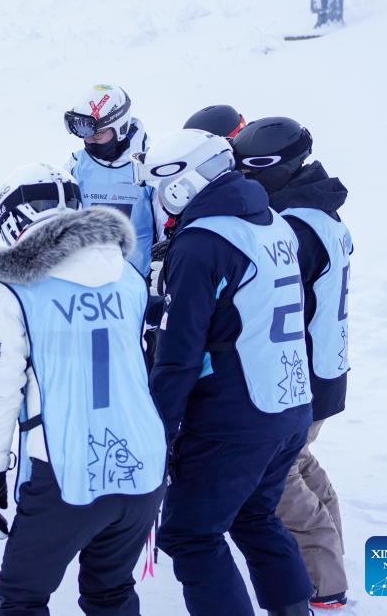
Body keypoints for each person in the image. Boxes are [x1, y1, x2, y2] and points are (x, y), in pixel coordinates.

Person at [134, 129, 315, 616]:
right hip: (287, 403)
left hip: (233, 417)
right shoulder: (273, 222)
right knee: (255, 516)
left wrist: (158, 431)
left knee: (190, 534)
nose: (158, 200)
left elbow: (179, 355)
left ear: (181, 183)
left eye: (159, 188)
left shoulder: (202, 242)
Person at [0, 163, 166, 615]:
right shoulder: (127, 275)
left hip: (65, 467)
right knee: (110, 592)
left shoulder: (14, 287)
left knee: (20, 599)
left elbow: (1, 387)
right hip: (141, 463)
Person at [233, 117, 351, 610]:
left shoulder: (296, 227)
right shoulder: (319, 211)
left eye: (253, 166)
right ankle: (331, 557)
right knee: (296, 461)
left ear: (285, 165)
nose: (244, 175)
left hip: (301, 372)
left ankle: (324, 582)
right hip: (324, 367)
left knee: (275, 480)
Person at [64, 84, 158, 278]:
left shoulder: (150, 164)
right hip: (88, 280)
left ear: (120, 127)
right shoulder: (76, 165)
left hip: (139, 280)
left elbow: (166, 224)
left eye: (98, 134)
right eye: (84, 134)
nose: (90, 140)